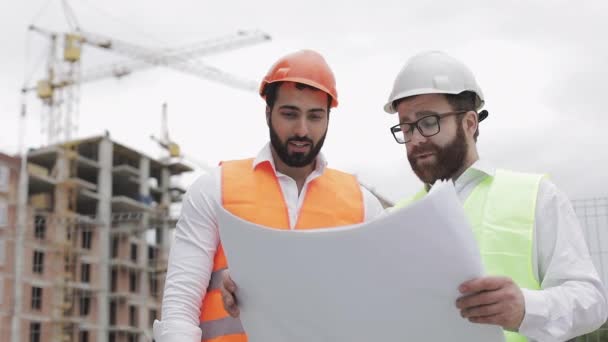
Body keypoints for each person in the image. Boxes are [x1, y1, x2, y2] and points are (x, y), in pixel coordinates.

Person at [152, 49, 384, 342]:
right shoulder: (215, 189)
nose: (302, 129)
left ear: (328, 118)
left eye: (315, 116)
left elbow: (378, 307)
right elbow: (180, 309)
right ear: (268, 112)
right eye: (290, 114)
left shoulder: (364, 206)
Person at [385, 50, 607, 341]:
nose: (415, 139)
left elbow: (591, 302)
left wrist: (526, 309)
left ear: (469, 123)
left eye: (428, 122)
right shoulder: (393, 220)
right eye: (405, 126)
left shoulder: (536, 196)